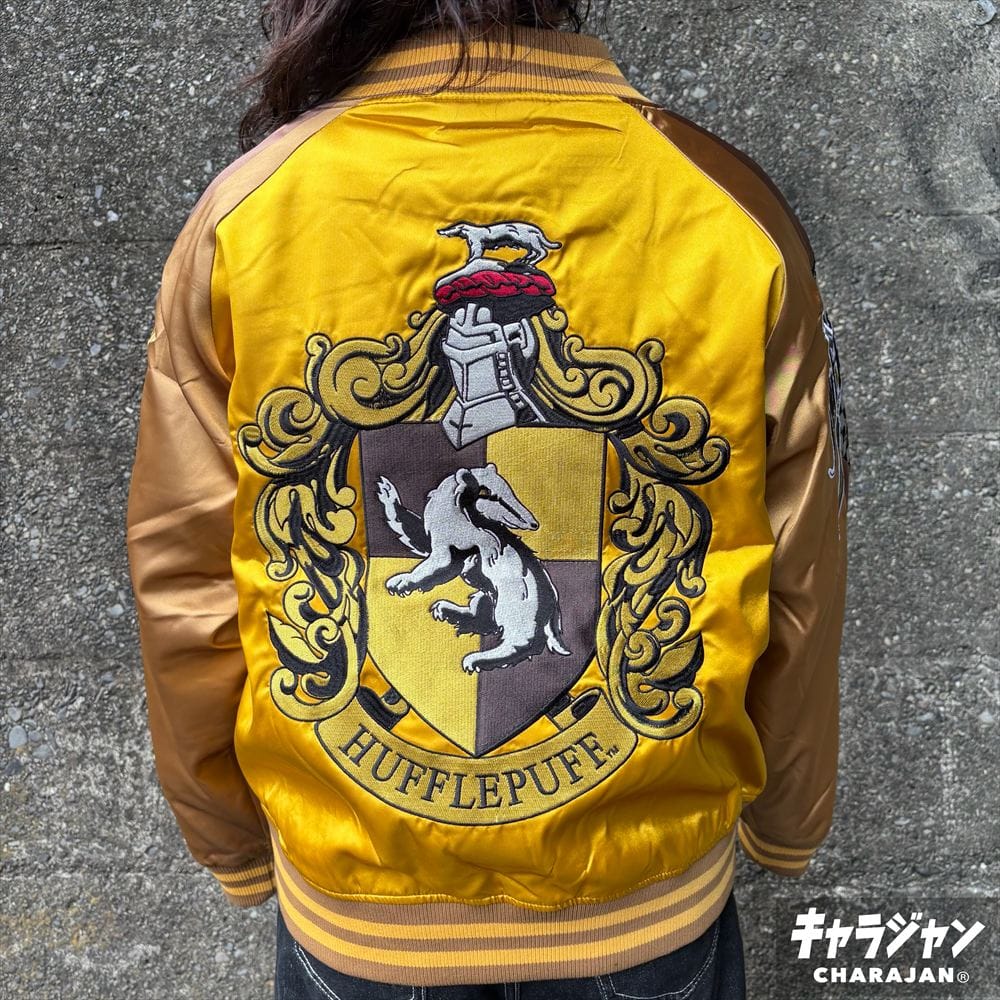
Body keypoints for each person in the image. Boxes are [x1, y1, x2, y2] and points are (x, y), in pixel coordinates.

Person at [124, 1, 851, 998]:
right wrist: (788, 816)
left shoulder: (249, 211)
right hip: (641, 888)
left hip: (360, 895)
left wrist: (229, 834)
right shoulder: (720, 204)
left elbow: (184, 568)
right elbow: (800, 558)